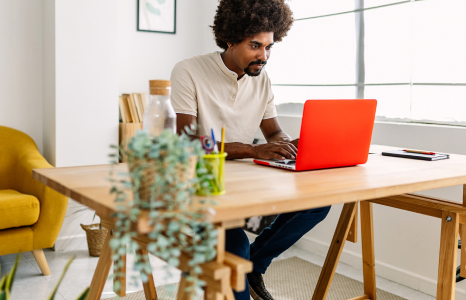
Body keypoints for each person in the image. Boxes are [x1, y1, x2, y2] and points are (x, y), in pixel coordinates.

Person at [171, 0, 330, 299]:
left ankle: (255, 265)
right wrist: (253, 150)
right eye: (255, 46)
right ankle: (246, 267)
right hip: (201, 180)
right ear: (230, 39)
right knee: (235, 245)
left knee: (317, 204)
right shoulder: (189, 70)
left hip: (246, 179)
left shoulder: (262, 79)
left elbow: (273, 131)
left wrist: (288, 143)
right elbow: (187, 143)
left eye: (269, 47)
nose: (264, 56)